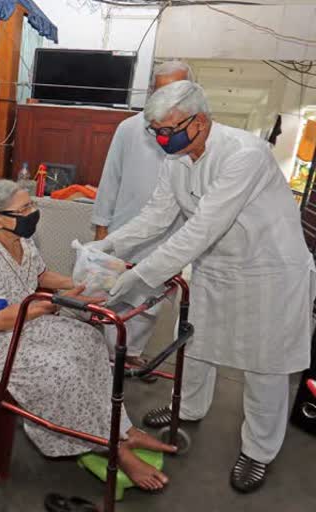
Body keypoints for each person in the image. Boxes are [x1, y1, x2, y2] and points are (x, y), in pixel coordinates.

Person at [92, 81, 316, 493]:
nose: (163, 138)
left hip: (268, 271)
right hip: (218, 266)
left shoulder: (244, 155)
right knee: (196, 344)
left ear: (201, 120)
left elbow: (203, 227)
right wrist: (108, 243)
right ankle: (189, 407)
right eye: (156, 131)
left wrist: (137, 276)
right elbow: (157, 217)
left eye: (169, 129)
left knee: (265, 366)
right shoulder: (175, 158)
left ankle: (258, 451)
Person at [0, 180, 177, 491]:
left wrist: (80, 283)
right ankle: (110, 446)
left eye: (31, 205)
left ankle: (123, 430)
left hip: (19, 322)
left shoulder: (21, 240)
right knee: (58, 368)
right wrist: (54, 303)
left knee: (88, 340)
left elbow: (37, 275)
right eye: (23, 209)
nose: (32, 213)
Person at [91, 61, 193, 368]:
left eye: (175, 90)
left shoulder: (191, 133)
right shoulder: (129, 128)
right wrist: (101, 226)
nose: (167, 97)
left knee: (152, 300)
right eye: (160, 89)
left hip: (169, 233)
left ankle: (131, 352)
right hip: (126, 225)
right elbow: (111, 178)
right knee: (116, 292)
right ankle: (108, 355)